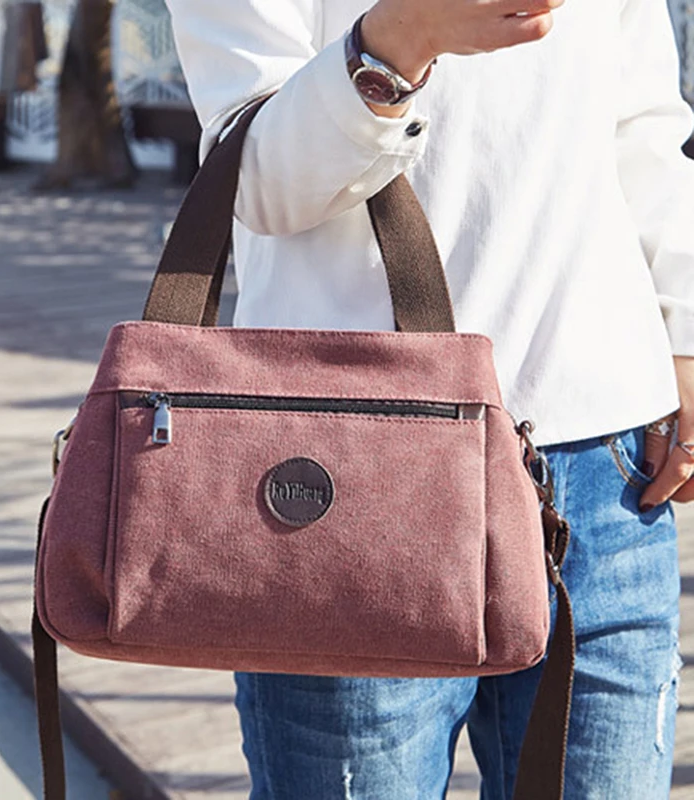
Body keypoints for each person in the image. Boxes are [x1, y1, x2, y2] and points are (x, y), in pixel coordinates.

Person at [165, 1, 694, 797]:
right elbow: (258, 183)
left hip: (603, 466)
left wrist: (684, 330)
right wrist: (400, 38)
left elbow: (643, 123)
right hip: (349, 477)